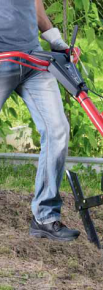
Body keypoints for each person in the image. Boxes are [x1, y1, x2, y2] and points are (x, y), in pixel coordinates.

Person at [0, 0, 80, 241]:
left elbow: (33, 3)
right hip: (3, 57)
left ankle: (45, 217)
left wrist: (54, 38)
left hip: (33, 58)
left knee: (57, 129)